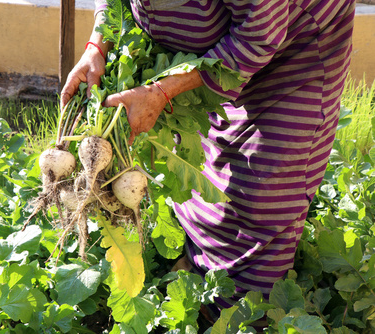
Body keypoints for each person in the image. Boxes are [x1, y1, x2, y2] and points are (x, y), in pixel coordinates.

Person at [61, 0, 356, 320]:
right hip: (225, 35)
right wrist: (97, 45)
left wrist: (162, 91)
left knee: (264, 181)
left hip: (295, 44)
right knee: (207, 159)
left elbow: (259, 37)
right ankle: (203, 270)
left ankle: (243, 314)